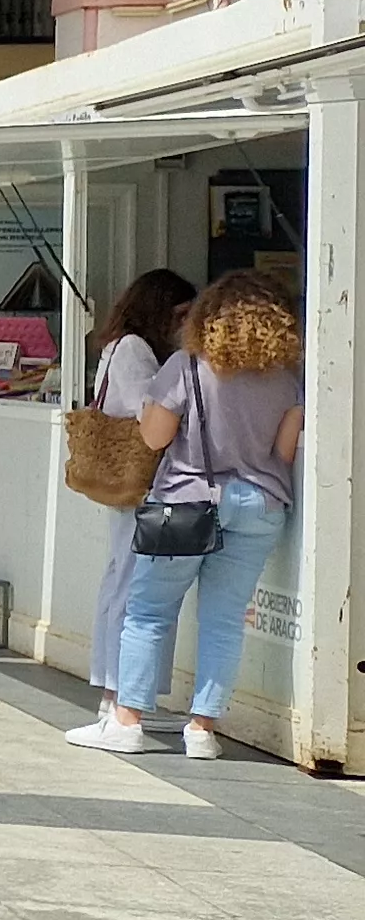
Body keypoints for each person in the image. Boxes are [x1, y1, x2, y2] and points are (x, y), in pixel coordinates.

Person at [68, 270, 304, 761]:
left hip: (186, 500)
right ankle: (202, 729)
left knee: (149, 612)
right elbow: (284, 452)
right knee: (223, 620)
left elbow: (154, 438)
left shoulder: (184, 366)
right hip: (260, 505)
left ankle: (127, 722)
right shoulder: (289, 381)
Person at [79, 268, 198, 711]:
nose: (187, 323)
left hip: (127, 485)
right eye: (182, 313)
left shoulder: (121, 346)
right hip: (139, 482)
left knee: (121, 578)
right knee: (131, 583)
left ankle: (115, 689)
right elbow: (149, 412)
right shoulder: (134, 349)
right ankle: (119, 691)